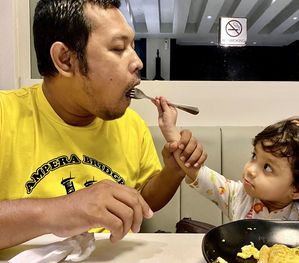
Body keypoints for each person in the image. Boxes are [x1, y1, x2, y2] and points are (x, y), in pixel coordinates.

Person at [0, 0, 207, 250]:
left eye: (132, 46)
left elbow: (142, 200)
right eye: (119, 48)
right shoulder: (5, 115)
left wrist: (172, 171)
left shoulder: (131, 124)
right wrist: (60, 210)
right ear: (65, 60)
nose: (138, 62)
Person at [154, 96, 299, 230]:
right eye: (254, 156)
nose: (250, 170)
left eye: (267, 167)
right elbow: (197, 171)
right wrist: (170, 131)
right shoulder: (237, 196)